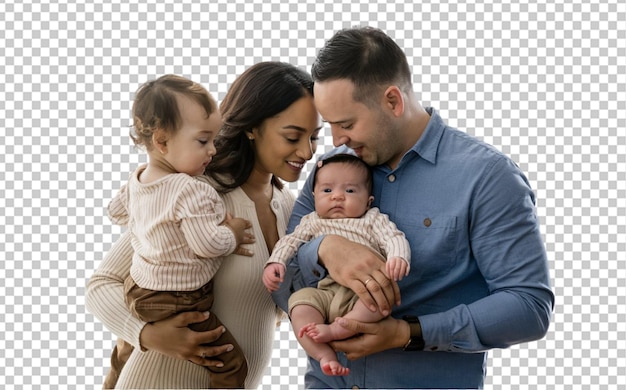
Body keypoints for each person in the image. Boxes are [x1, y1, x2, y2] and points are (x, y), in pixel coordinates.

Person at [273, 26, 554, 389]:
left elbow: (528, 307)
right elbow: (282, 285)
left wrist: (407, 333)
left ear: (393, 101)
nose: (337, 140)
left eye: (346, 124)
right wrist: (323, 250)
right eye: (330, 126)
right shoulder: (333, 171)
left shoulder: (487, 177)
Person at [86, 61, 321, 389]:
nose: (307, 151)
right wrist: (147, 334)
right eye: (293, 136)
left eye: (314, 136)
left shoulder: (287, 206)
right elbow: (102, 283)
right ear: (252, 127)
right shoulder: (197, 193)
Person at [105, 74, 253, 388]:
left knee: (123, 351)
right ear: (161, 142)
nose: (212, 150)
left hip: (139, 290)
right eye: (202, 141)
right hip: (180, 299)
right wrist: (233, 234)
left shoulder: (139, 178)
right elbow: (207, 245)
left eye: (214, 139)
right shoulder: (190, 191)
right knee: (231, 365)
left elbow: (115, 213)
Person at [262, 153, 410, 376]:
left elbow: (394, 237)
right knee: (299, 306)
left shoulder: (372, 218)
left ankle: (338, 328)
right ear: (314, 196)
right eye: (327, 190)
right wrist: (275, 262)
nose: (337, 197)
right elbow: (291, 241)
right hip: (323, 290)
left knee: (379, 302)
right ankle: (324, 355)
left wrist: (398, 257)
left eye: (349, 191)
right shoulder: (312, 220)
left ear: (368, 200)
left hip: (362, 292)